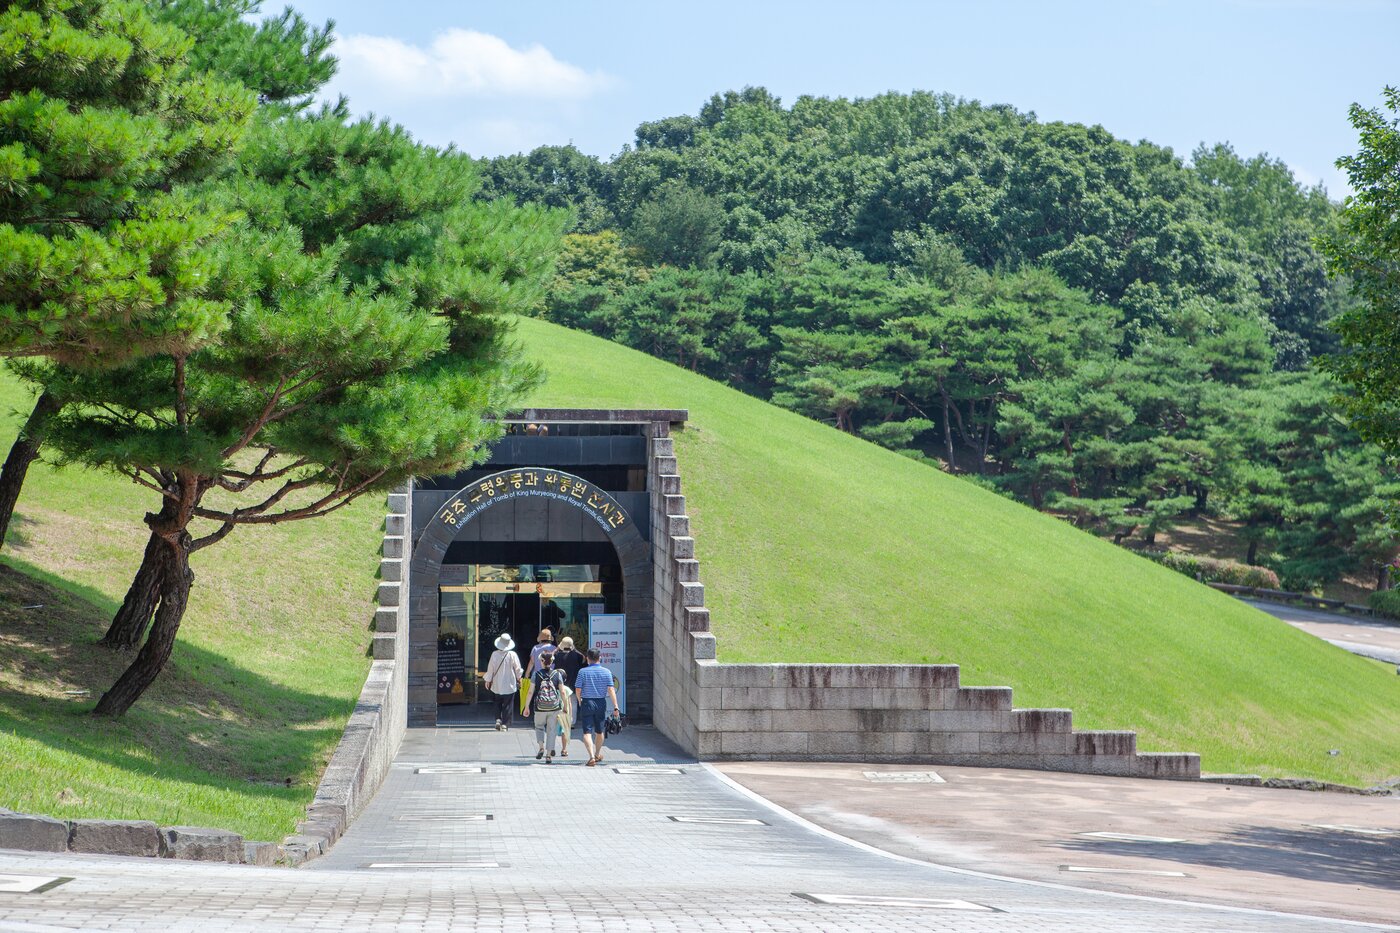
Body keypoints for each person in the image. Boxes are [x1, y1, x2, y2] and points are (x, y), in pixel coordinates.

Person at [574, 648, 620, 766]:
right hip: (601, 703)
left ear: (587, 659)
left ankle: (591, 757)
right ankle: (597, 754)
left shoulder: (582, 672)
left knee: (587, 732)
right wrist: (616, 706)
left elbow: (578, 689)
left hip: (587, 702)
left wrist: (579, 700)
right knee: (599, 731)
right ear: (600, 658)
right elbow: (611, 689)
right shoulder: (606, 672)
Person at [525, 652, 567, 763]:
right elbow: (562, 692)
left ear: (542, 661)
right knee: (551, 730)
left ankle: (541, 747)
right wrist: (565, 706)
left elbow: (530, 692)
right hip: (554, 707)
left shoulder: (536, 674)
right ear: (552, 661)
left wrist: (526, 706)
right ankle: (548, 755)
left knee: (539, 727)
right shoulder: (557, 674)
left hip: (540, 707)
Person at [483, 633, 522, 731]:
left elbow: (490, 669)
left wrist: (488, 680)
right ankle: (505, 724)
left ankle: (497, 719)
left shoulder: (494, 654)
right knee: (508, 704)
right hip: (509, 684)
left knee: (497, 702)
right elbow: (517, 669)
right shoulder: (512, 654)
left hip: (497, 684)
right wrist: (519, 678)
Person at [553, 635, 586, 735]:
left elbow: (551, 657)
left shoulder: (557, 655)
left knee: (559, 702)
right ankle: (571, 723)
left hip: (560, 682)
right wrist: (574, 649)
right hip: (573, 682)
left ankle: (560, 721)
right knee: (573, 703)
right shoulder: (576, 655)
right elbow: (584, 658)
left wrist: (557, 648)